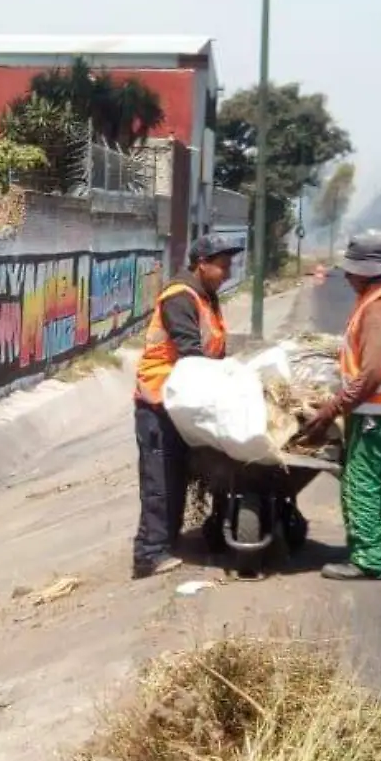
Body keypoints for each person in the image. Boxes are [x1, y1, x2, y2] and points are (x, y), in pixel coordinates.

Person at [300, 235, 381, 581]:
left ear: (366, 273)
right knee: (379, 479)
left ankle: (366, 557)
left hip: (377, 409)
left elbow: (372, 372)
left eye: (351, 272)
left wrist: (331, 409)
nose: (348, 278)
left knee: (359, 481)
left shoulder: (377, 308)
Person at [131, 233, 244, 579]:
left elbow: (214, 351)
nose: (227, 272)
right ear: (202, 264)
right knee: (160, 481)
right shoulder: (181, 296)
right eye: (221, 266)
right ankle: (149, 555)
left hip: (182, 402)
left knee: (176, 477)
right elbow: (190, 352)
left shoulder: (205, 296)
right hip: (159, 399)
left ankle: (168, 543)